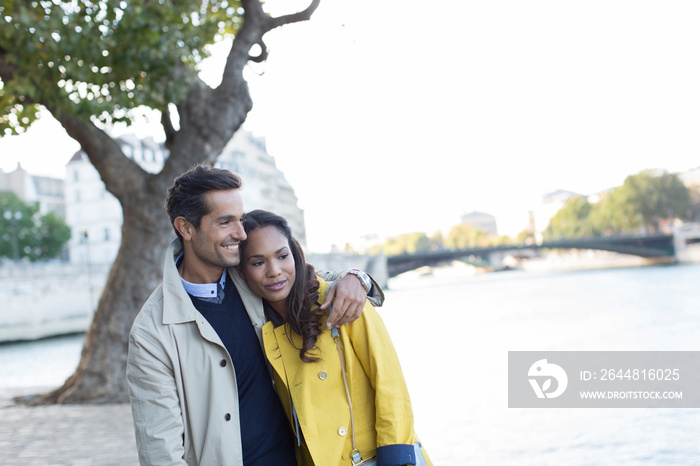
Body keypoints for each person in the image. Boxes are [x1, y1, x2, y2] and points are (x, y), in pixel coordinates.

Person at [126, 164, 384, 465]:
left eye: (240, 219)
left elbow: (308, 279)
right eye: (226, 222)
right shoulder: (151, 333)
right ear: (185, 227)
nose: (241, 233)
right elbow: (161, 452)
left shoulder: (252, 277)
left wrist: (357, 278)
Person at [238, 209, 432, 466]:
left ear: (294, 255)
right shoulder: (260, 330)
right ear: (242, 271)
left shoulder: (344, 300)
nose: (274, 271)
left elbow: (390, 385)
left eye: (282, 256)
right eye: (258, 262)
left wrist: (396, 459)